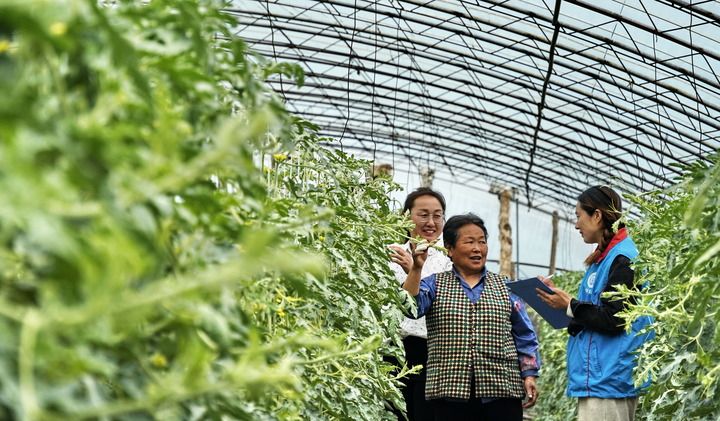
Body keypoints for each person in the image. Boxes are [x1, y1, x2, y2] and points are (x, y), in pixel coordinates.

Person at [403, 213, 540, 421]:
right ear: (450, 249)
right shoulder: (434, 284)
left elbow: (524, 334)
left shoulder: (506, 287)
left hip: (501, 390)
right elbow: (410, 308)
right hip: (449, 393)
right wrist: (416, 268)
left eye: (482, 242)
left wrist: (529, 374)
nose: (478, 248)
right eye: (469, 242)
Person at [536, 185, 653, 421]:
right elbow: (595, 314)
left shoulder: (623, 259)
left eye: (579, 215)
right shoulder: (605, 258)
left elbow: (615, 318)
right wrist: (562, 303)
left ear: (597, 216)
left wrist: (571, 305)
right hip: (602, 378)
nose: (576, 224)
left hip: (610, 379)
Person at [388, 187, 452, 421]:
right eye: (423, 215)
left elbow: (444, 303)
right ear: (406, 217)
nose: (431, 222)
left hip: (435, 352)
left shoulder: (450, 261)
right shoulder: (391, 254)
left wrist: (414, 269)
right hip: (394, 350)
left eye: (437, 215)